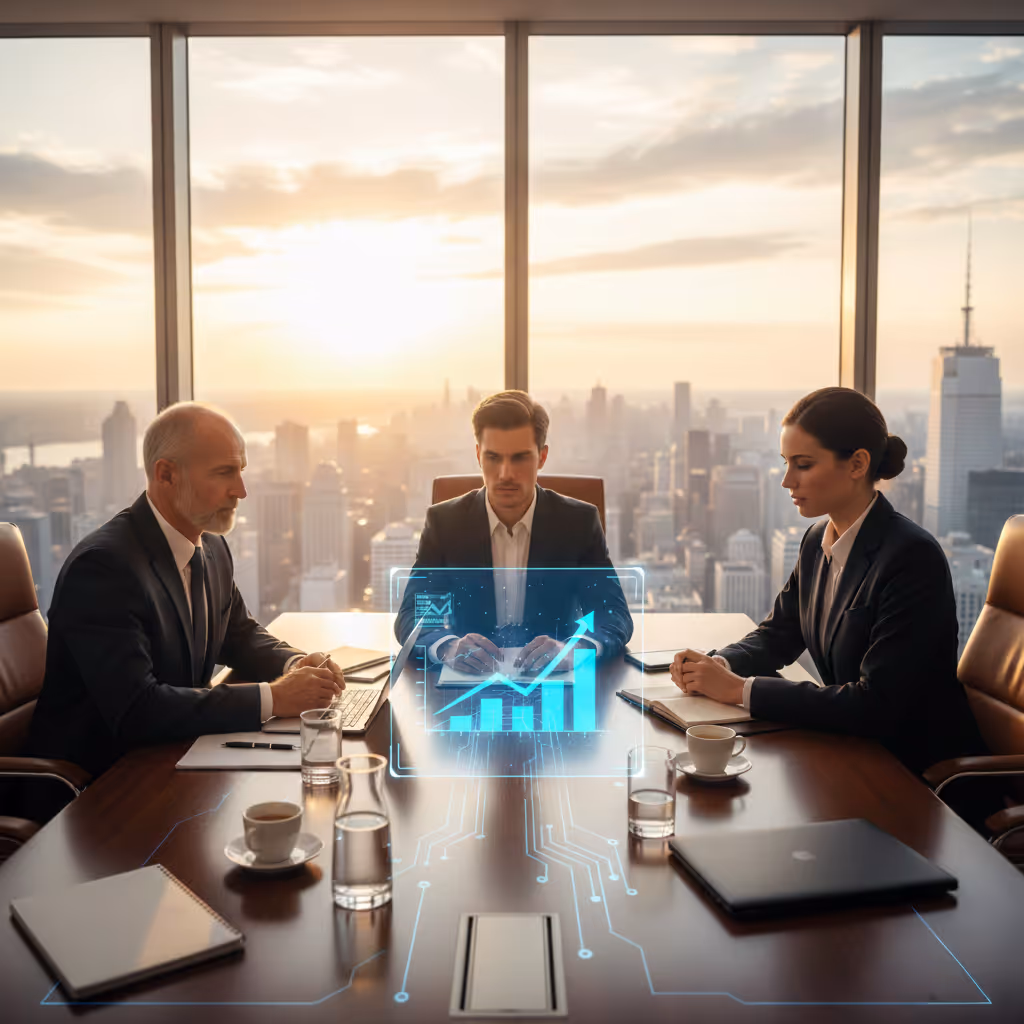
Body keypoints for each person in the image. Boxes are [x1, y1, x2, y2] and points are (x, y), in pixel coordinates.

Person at [670, 386, 985, 774]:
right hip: (847, 751)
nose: (787, 481)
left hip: (915, 775)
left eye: (803, 465)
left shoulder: (912, 558)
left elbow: (878, 705)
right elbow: (779, 634)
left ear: (857, 464)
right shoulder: (816, 539)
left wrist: (738, 690)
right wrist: (717, 665)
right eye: (786, 463)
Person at [29, 403, 345, 777]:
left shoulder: (210, 546)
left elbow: (238, 634)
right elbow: (137, 709)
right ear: (166, 474)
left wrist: (295, 664)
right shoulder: (103, 569)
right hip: (98, 787)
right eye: (225, 473)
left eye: (240, 471)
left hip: (176, 755)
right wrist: (275, 697)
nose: (241, 491)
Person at [396, 390, 632, 674]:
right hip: (466, 683)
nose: (505, 473)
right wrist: (448, 647)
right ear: (478, 455)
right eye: (493, 457)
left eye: (520, 458)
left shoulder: (578, 522)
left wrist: (574, 650)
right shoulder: (445, 522)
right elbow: (415, 615)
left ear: (542, 457)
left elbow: (613, 615)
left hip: (556, 684)